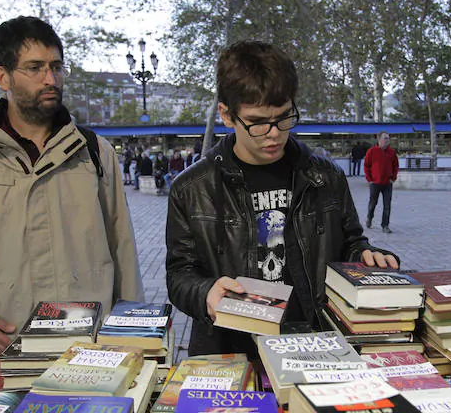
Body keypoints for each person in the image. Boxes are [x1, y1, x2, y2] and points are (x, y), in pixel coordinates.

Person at [0, 16, 143, 351]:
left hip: (88, 347)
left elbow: (123, 249)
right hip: (5, 346)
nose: (50, 79)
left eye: (57, 67)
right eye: (35, 68)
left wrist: (130, 332)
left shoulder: (93, 152)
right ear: (2, 76)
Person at [165, 41, 398, 357]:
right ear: (226, 115)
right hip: (230, 348)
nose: (274, 133)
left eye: (284, 117)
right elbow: (180, 274)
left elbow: (350, 244)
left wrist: (367, 257)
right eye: (259, 122)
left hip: (316, 343)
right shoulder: (192, 188)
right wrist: (205, 292)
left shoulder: (325, 177)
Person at [364, 131, 398, 233]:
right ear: (379, 140)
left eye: (388, 138)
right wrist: (369, 179)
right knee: (372, 204)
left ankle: (385, 225)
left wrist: (393, 178)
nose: (388, 140)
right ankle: (369, 218)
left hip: (387, 183)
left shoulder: (392, 152)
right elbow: (366, 166)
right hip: (375, 183)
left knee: (387, 205)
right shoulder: (371, 151)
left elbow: (396, 166)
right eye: (385, 138)